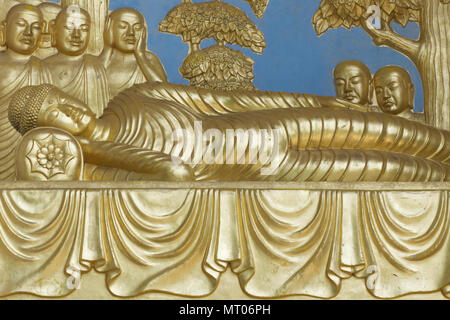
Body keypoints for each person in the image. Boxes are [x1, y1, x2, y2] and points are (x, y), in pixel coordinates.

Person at [8, 83, 450, 182]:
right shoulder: (105, 169)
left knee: (410, 137)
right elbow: (175, 171)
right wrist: (89, 151)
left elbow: (227, 99)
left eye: (63, 97)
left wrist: (317, 102)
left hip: (262, 124)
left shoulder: (132, 97)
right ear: (49, 134)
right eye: (57, 115)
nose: (71, 108)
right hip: (257, 165)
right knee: (404, 171)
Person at [0, 4, 51, 181]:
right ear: (4, 29)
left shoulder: (41, 67)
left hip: (30, 146)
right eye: (21, 24)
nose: (29, 32)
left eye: (36, 26)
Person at [44, 5, 109, 117]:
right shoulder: (42, 68)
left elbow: (98, 116)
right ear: (54, 29)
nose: (76, 35)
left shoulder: (93, 66)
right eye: (69, 27)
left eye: (84, 29)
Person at [100, 8, 167, 98]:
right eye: (123, 26)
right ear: (110, 29)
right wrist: (108, 47)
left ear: (143, 32)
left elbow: (164, 93)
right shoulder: (102, 61)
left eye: (137, 28)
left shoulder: (149, 59)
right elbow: (94, 84)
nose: (131, 33)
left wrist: (140, 56)